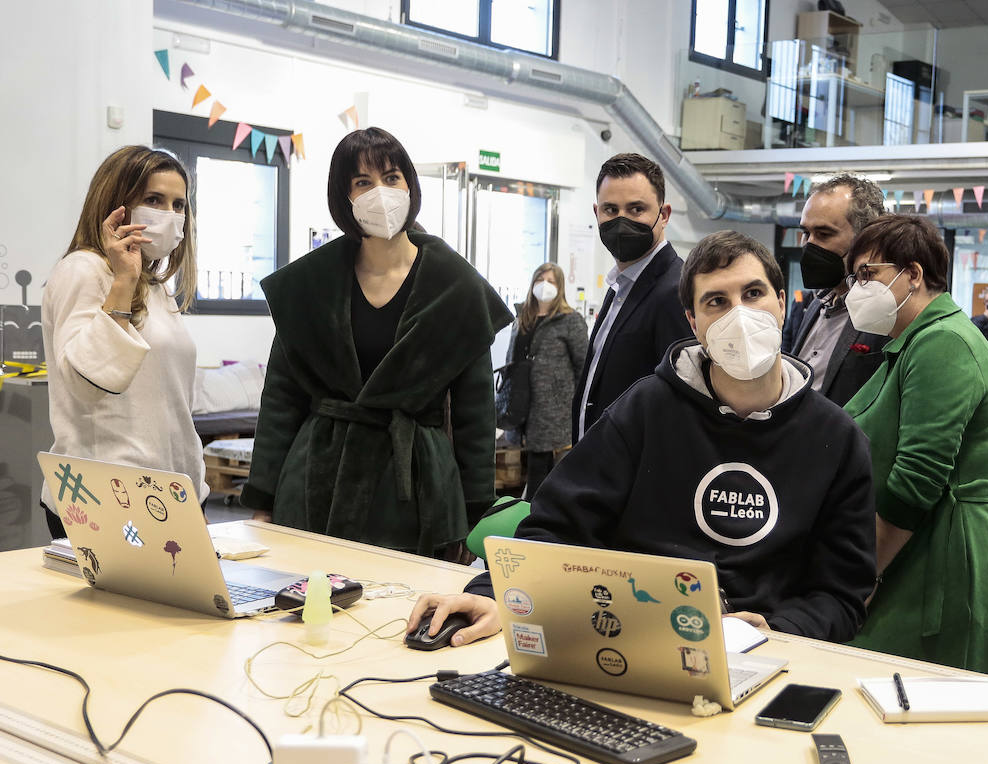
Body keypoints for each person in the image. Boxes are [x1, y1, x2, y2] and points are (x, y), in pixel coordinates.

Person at [408, 231, 876, 648]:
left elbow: (842, 595)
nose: (739, 314)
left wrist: (778, 630)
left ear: (782, 301)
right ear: (692, 322)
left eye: (753, 294)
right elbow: (556, 526)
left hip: (769, 656)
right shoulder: (645, 410)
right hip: (633, 640)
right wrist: (494, 595)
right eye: (716, 301)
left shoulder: (837, 440)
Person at [241, 128, 509, 556]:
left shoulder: (456, 287)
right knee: (308, 593)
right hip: (316, 481)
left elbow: (475, 416)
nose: (380, 193)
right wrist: (263, 500)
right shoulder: (309, 284)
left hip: (415, 490)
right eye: (362, 182)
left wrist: (475, 512)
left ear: (410, 186)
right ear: (343, 197)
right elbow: (281, 399)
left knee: (408, 597)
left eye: (391, 177)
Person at [841, 214, 988, 677]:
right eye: (853, 279)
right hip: (915, 550)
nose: (856, 290)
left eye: (867, 274)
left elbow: (916, 480)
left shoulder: (943, 343)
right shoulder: (913, 343)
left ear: (914, 274)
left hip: (942, 557)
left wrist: (862, 576)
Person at [40, 145, 205, 538]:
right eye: (154, 200)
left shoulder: (153, 285)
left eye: (179, 205)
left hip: (170, 492)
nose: (169, 215)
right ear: (117, 204)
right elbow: (87, 382)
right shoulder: (84, 270)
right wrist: (123, 282)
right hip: (108, 497)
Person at [572, 153, 691, 443]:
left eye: (636, 209)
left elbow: (681, 407)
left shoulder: (674, 292)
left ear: (664, 215)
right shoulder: (620, 286)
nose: (621, 221)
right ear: (596, 212)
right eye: (611, 210)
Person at [780, 173, 888, 406]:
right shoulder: (816, 305)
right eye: (806, 233)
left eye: (824, 234)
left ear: (866, 239)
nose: (809, 244)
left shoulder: (886, 313)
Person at [506, 262, 588, 497]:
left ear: (559, 287)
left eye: (551, 281)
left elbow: (583, 367)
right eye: (540, 280)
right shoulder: (523, 318)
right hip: (523, 404)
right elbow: (512, 359)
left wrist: (574, 406)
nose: (544, 286)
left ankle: (539, 515)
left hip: (555, 410)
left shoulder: (570, 320)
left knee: (546, 473)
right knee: (532, 468)